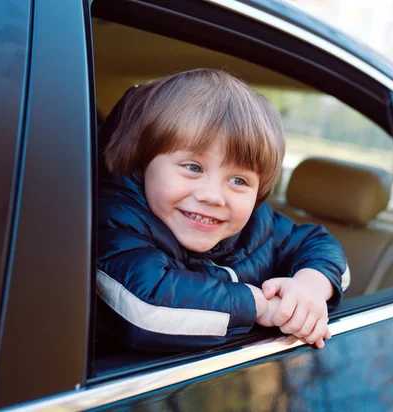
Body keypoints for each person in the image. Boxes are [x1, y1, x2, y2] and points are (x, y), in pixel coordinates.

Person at [96, 69, 350, 354]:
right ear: (143, 162)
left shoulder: (257, 224)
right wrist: (259, 305)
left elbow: (318, 243)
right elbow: (147, 306)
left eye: (238, 181)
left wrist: (309, 287)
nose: (213, 196)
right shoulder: (115, 223)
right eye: (193, 167)